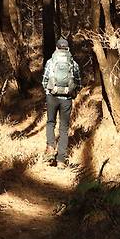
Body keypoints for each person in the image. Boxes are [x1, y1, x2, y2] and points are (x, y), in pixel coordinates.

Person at [42, 37, 81, 169]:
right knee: (63, 129)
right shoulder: (73, 64)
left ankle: (51, 147)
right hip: (66, 100)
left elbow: (44, 81)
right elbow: (78, 83)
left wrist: (49, 92)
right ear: (67, 48)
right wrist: (70, 93)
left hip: (52, 97)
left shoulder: (50, 62)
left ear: (57, 48)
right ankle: (61, 161)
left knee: (50, 123)